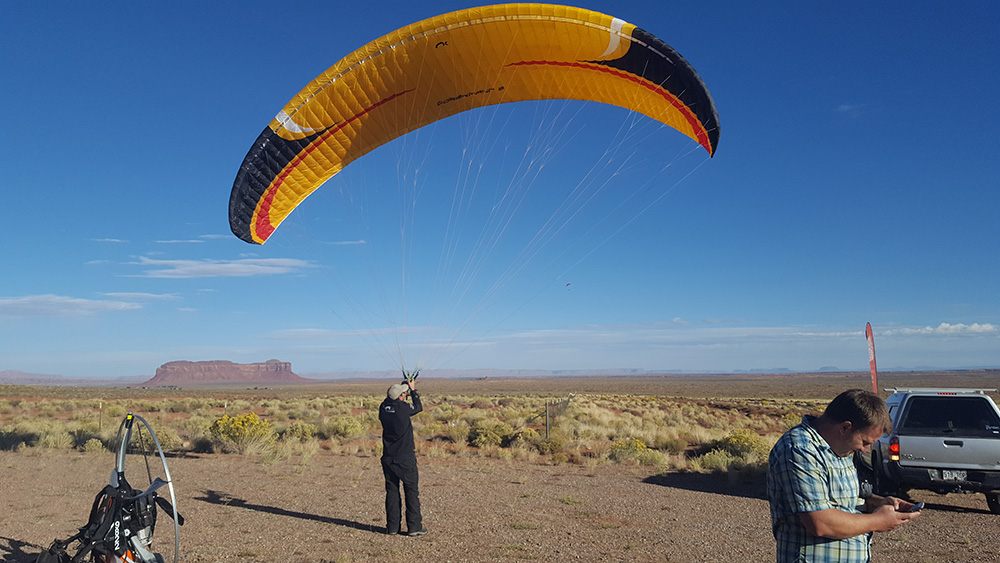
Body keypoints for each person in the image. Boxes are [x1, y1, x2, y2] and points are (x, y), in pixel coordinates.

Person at [767, 389, 920, 562]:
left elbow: (843, 502)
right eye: (865, 442)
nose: (866, 449)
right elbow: (819, 522)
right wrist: (878, 521)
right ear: (845, 427)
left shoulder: (841, 448)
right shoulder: (800, 450)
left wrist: (876, 503)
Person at [379, 378, 426, 536]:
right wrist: (413, 391)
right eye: (403, 394)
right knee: (411, 490)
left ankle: (392, 527)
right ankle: (414, 527)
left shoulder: (383, 407)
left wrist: (405, 386)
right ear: (401, 397)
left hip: (388, 457)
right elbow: (418, 407)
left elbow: (392, 398)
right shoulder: (402, 409)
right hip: (404, 458)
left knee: (392, 491)